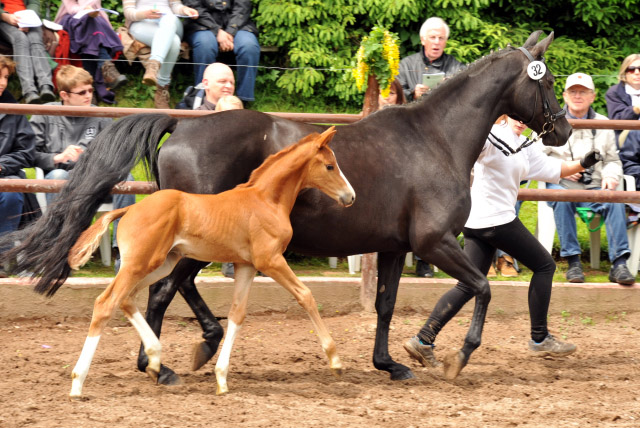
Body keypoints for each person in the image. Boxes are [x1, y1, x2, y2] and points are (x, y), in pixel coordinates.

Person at [404, 115, 601, 367]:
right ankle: (539, 338)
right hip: (496, 221)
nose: (521, 122)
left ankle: (422, 339)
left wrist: (584, 163)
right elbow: (466, 147)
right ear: (505, 115)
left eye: (525, 119)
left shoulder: (526, 145)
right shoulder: (490, 134)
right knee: (545, 266)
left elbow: (555, 170)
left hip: (478, 222)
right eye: (516, 117)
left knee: (468, 285)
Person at [29, 65, 135, 267]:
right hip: (65, 182)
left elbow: (118, 154)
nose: (88, 96)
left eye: (90, 91)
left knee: (127, 179)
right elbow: (30, 154)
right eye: (82, 92)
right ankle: (60, 248)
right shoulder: (44, 114)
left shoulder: (100, 116)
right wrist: (57, 157)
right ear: (64, 95)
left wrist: (95, 158)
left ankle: (124, 252)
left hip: (96, 181)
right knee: (57, 176)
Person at [544, 73, 635, 285]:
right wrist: (561, 169)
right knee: (561, 197)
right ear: (564, 96)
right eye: (573, 91)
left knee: (614, 198)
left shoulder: (603, 123)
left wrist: (611, 176)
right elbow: (535, 158)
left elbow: (613, 159)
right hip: (561, 183)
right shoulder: (550, 120)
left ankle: (619, 264)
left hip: (594, 184)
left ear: (593, 97)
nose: (578, 96)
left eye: (583, 92)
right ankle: (574, 262)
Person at [123, 0, 199, 108]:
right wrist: (144, 14)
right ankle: (162, 88)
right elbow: (128, 12)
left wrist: (184, 10)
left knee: (169, 19)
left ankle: (153, 65)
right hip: (142, 24)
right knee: (174, 42)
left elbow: (175, 6)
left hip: (171, 23)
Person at [182, 0, 259, 105]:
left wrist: (230, 31)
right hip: (202, 24)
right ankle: (203, 96)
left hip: (238, 24)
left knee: (249, 47)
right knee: (205, 45)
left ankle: (243, 100)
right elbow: (195, 8)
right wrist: (217, 30)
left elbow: (243, 7)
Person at [0, 55, 36, 275]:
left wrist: (2, 166)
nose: (2, 82)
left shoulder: (14, 111)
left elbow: (27, 153)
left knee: (12, 191)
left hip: (6, 173)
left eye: (5, 77)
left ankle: (2, 257)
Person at [54, 0, 127, 102]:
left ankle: (90, 89)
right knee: (91, 25)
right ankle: (107, 69)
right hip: (71, 20)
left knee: (93, 26)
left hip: (93, 20)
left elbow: (97, 8)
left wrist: (92, 12)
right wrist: (86, 10)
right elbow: (71, 8)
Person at [396, 17, 464, 102]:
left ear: (445, 42)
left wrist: (449, 87)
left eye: (441, 38)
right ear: (422, 40)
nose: (437, 42)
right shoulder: (406, 65)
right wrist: (413, 94)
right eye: (432, 37)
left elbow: (465, 92)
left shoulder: (455, 66)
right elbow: (394, 94)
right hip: (414, 113)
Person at [0, 0, 55, 104]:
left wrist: (28, 19)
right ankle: (29, 91)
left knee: (35, 38)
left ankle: (46, 86)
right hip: (4, 19)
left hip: (28, 19)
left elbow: (34, 2)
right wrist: (6, 16)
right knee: (20, 38)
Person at [605, 54, 640, 146]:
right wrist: (636, 109)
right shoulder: (614, 92)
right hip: (626, 142)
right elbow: (617, 121)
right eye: (631, 69)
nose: (637, 72)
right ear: (624, 72)